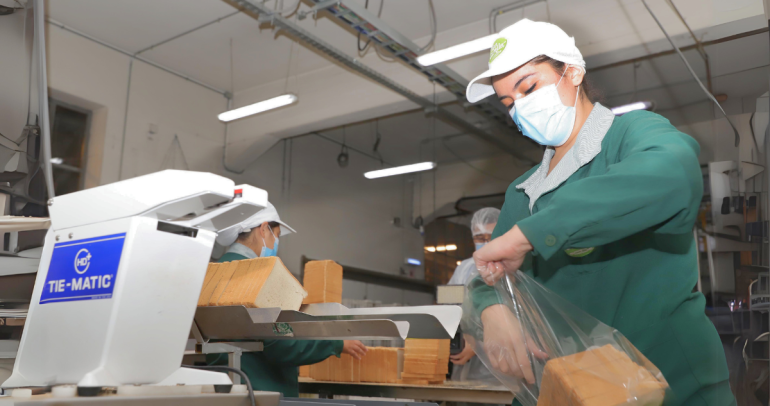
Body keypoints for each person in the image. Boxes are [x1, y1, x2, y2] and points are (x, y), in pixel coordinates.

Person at [464, 19, 733, 406]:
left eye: (529, 87)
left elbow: (672, 173)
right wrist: (492, 311)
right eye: (509, 103)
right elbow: (486, 278)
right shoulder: (523, 193)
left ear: (572, 72)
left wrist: (530, 234)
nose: (521, 107)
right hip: (572, 391)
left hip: (671, 387)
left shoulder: (632, 137)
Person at [211, 202, 367, 397]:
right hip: (260, 394)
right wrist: (334, 343)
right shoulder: (261, 277)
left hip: (220, 393)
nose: (276, 241)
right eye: (275, 235)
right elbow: (282, 344)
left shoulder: (213, 273)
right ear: (263, 229)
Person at [448, 208, 499, 379]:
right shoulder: (463, 269)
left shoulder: (511, 268)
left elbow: (515, 318)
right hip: (464, 360)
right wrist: (461, 339)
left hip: (499, 364)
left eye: (490, 237)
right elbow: (448, 306)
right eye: (479, 238)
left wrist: (479, 345)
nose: (485, 242)